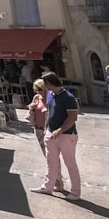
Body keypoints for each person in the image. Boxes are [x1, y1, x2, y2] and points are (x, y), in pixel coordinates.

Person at [31, 72, 80, 200]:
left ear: (50, 83)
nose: (44, 87)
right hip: (50, 133)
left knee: (70, 163)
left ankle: (75, 192)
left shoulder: (68, 97)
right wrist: (47, 128)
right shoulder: (50, 95)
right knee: (51, 162)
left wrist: (60, 130)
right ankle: (47, 187)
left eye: (45, 84)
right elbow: (50, 112)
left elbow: (73, 117)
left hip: (66, 135)